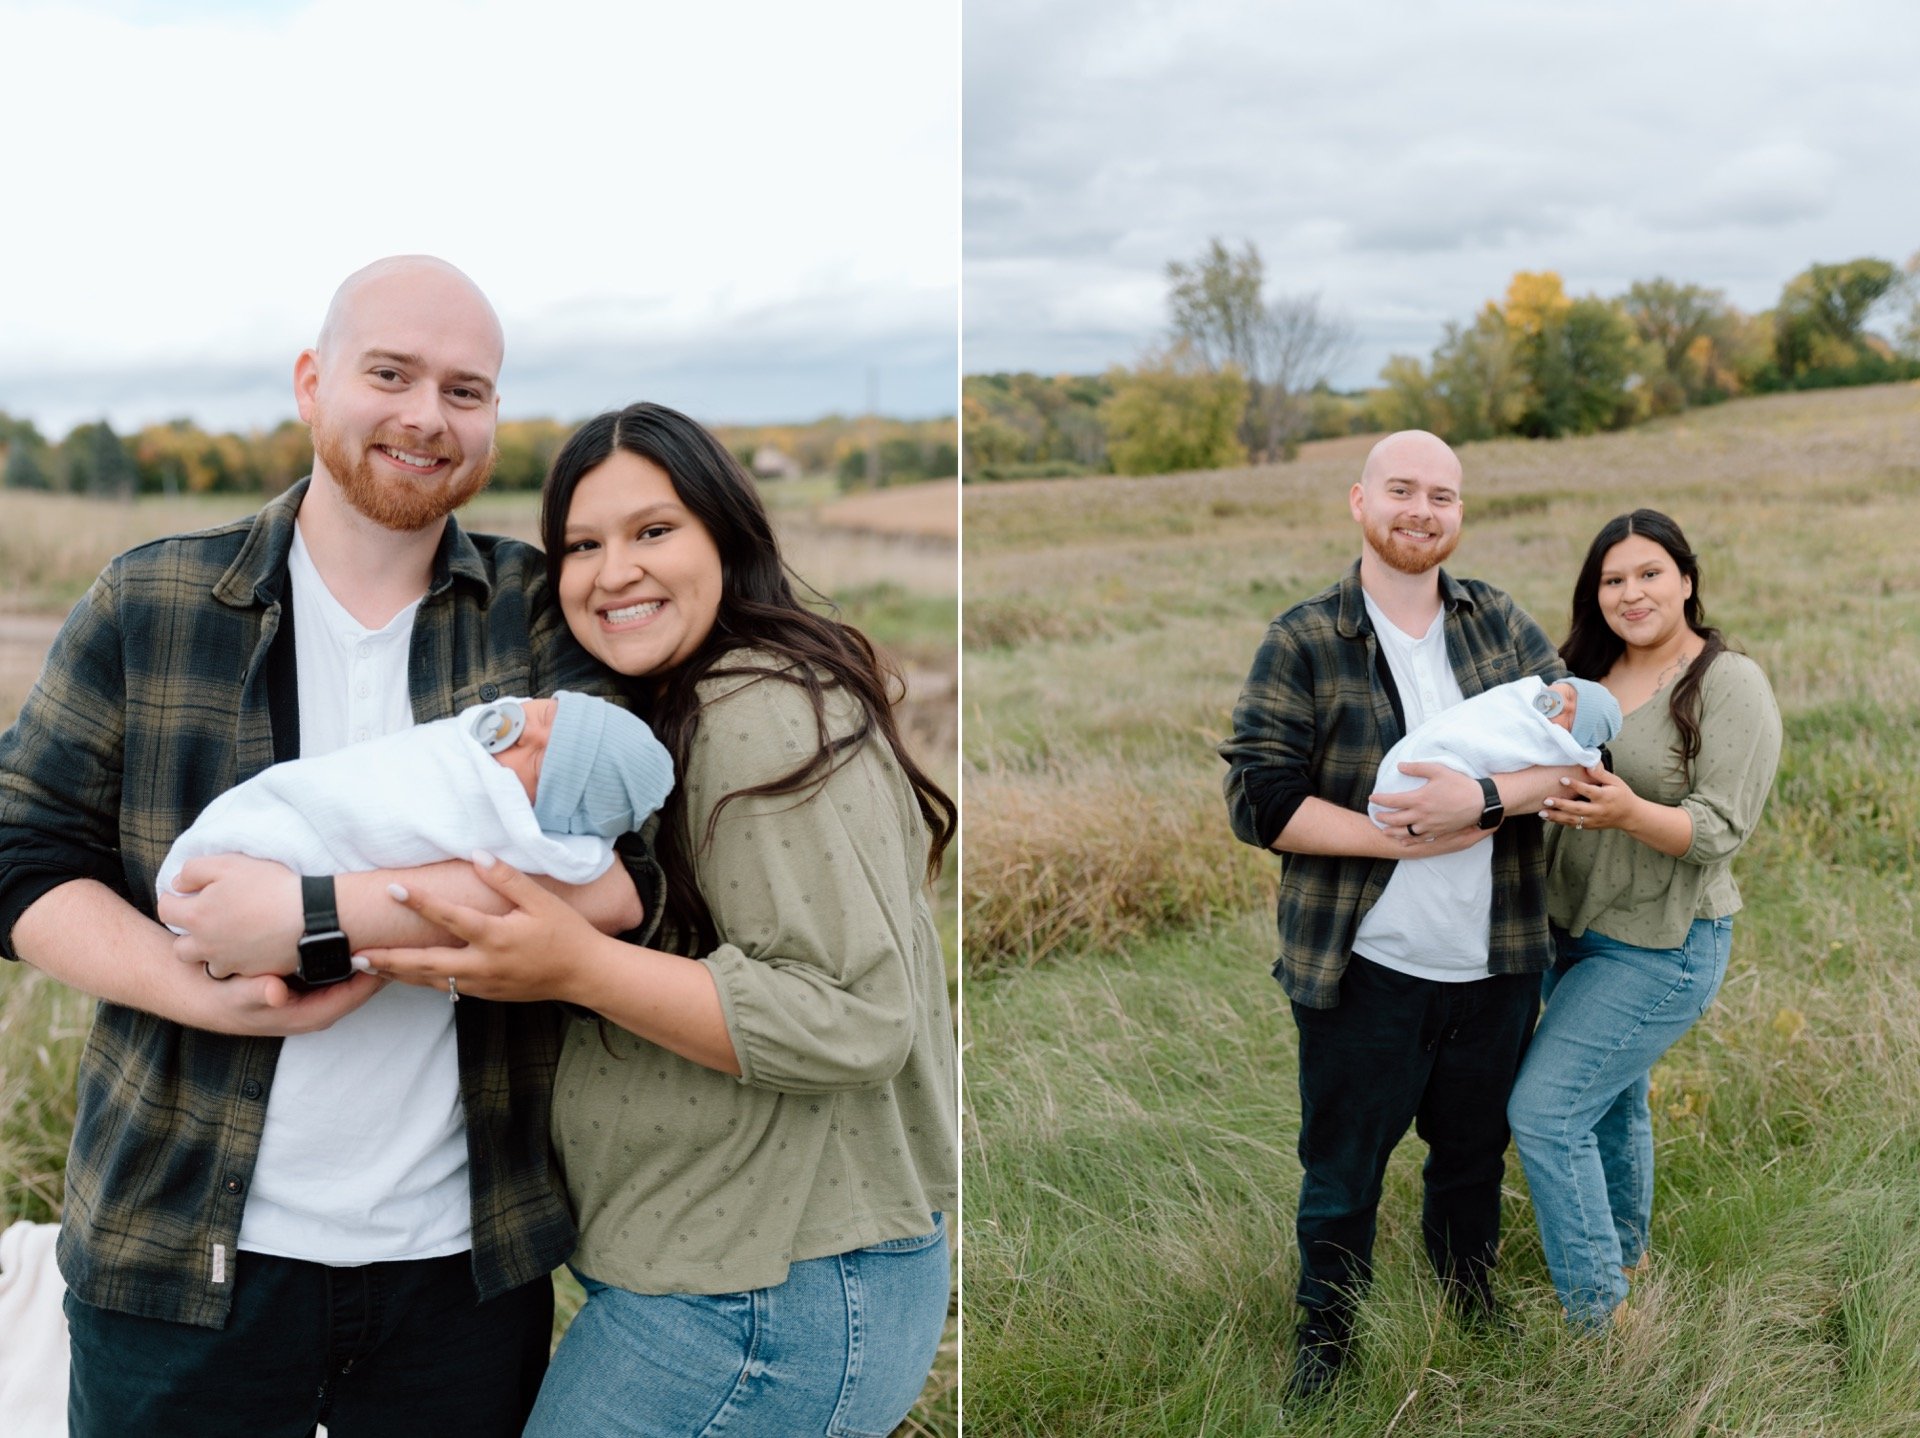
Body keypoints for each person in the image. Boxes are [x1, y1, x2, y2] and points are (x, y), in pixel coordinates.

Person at [0, 256, 651, 1437]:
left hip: (460, 1267)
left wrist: (315, 915)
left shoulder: (540, 613)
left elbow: (617, 882)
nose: (426, 416)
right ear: (313, 383)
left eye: (467, 389)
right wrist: (203, 989)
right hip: (176, 1252)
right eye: (390, 374)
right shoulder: (152, 602)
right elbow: (17, 853)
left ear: (493, 415)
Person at [359, 401, 960, 1437]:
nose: (612, 572)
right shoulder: (663, 712)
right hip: (737, 1275)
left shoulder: (756, 706)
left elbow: (854, 1016)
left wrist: (572, 964)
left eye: (653, 531)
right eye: (581, 546)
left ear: (726, 531)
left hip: (771, 1296)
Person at [1219, 429, 1586, 1400]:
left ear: (1460, 513)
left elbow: (1577, 756)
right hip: (1367, 965)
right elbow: (1260, 796)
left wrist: (1486, 803)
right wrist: (1401, 838)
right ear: (1359, 500)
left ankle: (1468, 1304)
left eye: (1444, 496)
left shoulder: (1498, 622)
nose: (1423, 511)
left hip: (1497, 959)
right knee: (1343, 1172)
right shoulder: (1305, 635)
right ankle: (1326, 1346)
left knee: (1472, 1158)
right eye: (1403, 490)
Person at [1508, 510, 1781, 1330]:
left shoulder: (1730, 683)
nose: (1632, 592)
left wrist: (1627, 810)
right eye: (1613, 579)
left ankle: (1603, 1319)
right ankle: (1627, 1252)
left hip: (1664, 944)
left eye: (1650, 573)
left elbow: (1719, 830)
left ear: (1687, 580)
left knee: (1546, 1111)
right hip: (1568, 928)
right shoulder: (1580, 670)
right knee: (1614, 1101)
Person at [158, 691, 674, 904]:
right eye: (541, 717)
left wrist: (304, 910)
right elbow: (366, 775)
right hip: (270, 814)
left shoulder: (496, 807)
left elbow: (608, 892)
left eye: (538, 766)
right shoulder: (464, 735)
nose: (522, 737)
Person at [1367, 675, 1623, 828]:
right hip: (1437, 745)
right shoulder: (1522, 693)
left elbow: (1588, 768)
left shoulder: (1550, 740)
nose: (1560, 706)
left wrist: (1480, 797)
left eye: (1570, 719)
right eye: (1568, 694)